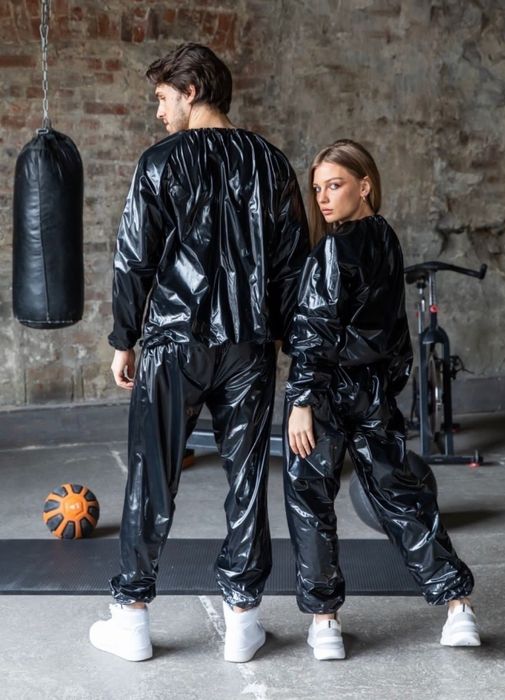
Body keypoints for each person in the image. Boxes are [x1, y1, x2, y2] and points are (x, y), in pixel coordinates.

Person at [89, 42, 309, 663]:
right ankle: (243, 622)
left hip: (172, 341)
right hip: (249, 346)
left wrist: (124, 339)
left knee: (151, 476)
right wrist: (288, 339)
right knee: (246, 480)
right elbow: (292, 263)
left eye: (163, 98)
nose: (159, 112)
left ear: (191, 91)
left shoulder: (159, 162)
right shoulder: (270, 161)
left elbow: (134, 257)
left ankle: (132, 619)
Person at [284, 139, 480, 660]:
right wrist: (386, 384)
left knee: (310, 499)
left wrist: (301, 400)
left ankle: (325, 622)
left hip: (324, 391)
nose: (323, 198)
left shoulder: (332, 249)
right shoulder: (387, 240)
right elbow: (393, 330)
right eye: (318, 189)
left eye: (335, 185)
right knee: (401, 495)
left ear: (365, 185)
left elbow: (315, 328)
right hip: (371, 389)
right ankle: (457, 607)